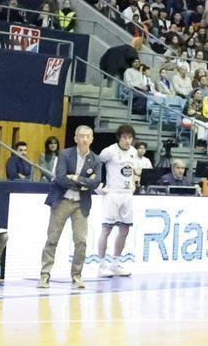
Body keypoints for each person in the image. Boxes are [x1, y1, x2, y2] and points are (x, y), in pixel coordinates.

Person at [39, 125, 101, 289]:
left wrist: (74, 178)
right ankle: (44, 275)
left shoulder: (96, 159)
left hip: (81, 204)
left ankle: (77, 276)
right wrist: (84, 182)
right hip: (62, 201)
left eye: (88, 136)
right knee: (52, 239)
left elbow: (96, 182)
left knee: (81, 241)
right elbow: (59, 178)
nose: (85, 139)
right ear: (75, 138)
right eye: (81, 136)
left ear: (92, 139)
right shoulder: (65, 154)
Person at [96, 124, 141, 277]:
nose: (128, 140)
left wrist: (134, 181)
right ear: (119, 137)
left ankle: (115, 263)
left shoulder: (134, 152)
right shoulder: (109, 151)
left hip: (127, 194)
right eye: (125, 137)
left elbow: (133, 170)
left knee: (125, 229)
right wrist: (97, 185)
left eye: (130, 138)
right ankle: (101, 265)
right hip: (112, 193)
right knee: (107, 229)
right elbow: (96, 164)